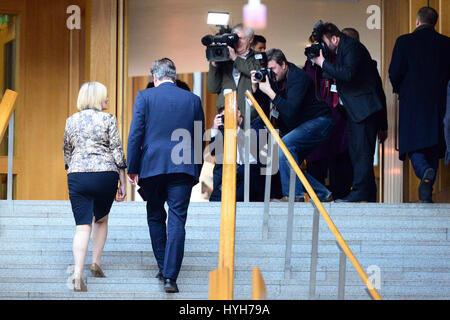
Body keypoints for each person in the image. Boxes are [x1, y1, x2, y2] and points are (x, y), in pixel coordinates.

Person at [127, 58, 205, 293]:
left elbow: (135, 134)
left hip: (152, 166)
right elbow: (199, 137)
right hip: (182, 167)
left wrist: (133, 167)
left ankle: (163, 267)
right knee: (177, 219)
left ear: (155, 77)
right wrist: (196, 170)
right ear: (175, 75)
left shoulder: (144, 97)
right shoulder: (193, 100)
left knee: (154, 215)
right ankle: (170, 276)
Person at [312, 23, 388, 203]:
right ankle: (367, 193)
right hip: (357, 111)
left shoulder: (352, 47)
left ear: (335, 39)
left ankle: (361, 192)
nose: (324, 47)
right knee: (357, 152)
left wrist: (323, 62)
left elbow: (348, 74)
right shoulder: (341, 50)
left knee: (361, 153)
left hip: (364, 110)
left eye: (325, 42)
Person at [63, 82, 127, 292]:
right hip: (104, 174)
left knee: (82, 226)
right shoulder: (108, 119)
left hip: (77, 174)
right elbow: (116, 150)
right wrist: (123, 181)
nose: (108, 100)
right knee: (101, 218)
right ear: (98, 98)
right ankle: (96, 262)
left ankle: (77, 274)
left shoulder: (71, 120)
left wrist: (71, 167)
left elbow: (66, 150)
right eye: (105, 97)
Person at [252, 48, 333, 202]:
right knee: (285, 161)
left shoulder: (298, 78)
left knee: (284, 148)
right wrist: (256, 87)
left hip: (319, 121)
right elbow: (260, 104)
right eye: (267, 70)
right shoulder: (274, 79)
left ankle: (294, 197)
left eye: (273, 69)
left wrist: (269, 91)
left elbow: (290, 110)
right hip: (301, 125)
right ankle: (322, 193)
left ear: (283, 65)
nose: (271, 73)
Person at [389, 7, 450, 203]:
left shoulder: (404, 41)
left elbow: (394, 73)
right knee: (433, 144)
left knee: (413, 146)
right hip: (439, 103)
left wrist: (401, 89)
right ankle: (426, 194)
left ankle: (424, 172)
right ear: (435, 23)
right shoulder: (446, 44)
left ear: (417, 22)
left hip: (412, 104)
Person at [303, 39, 353, 200]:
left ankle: (341, 197)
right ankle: (316, 198)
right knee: (316, 162)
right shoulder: (309, 66)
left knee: (340, 163)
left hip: (339, 120)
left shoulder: (336, 63)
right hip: (316, 120)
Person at [207, 23, 262, 123]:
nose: (237, 42)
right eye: (234, 38)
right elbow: (212, 88)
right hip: (226, 116)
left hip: (249, 117)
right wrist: (214, 65)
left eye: (240, 38)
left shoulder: (258, 57)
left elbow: (255, 72)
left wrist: (235, 59)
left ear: (250, 39)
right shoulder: (224, 58)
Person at [209, 107, 264, 202]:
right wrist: (215, 129)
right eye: (223, 117)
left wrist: (236, 129)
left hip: (249, 176)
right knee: (215, 200)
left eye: (228, 116)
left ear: (238, 113)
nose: (226, 119)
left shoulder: (253, 126)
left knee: (234, 199)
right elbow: (213, 151)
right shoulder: (222, 132)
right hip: (228, 178)